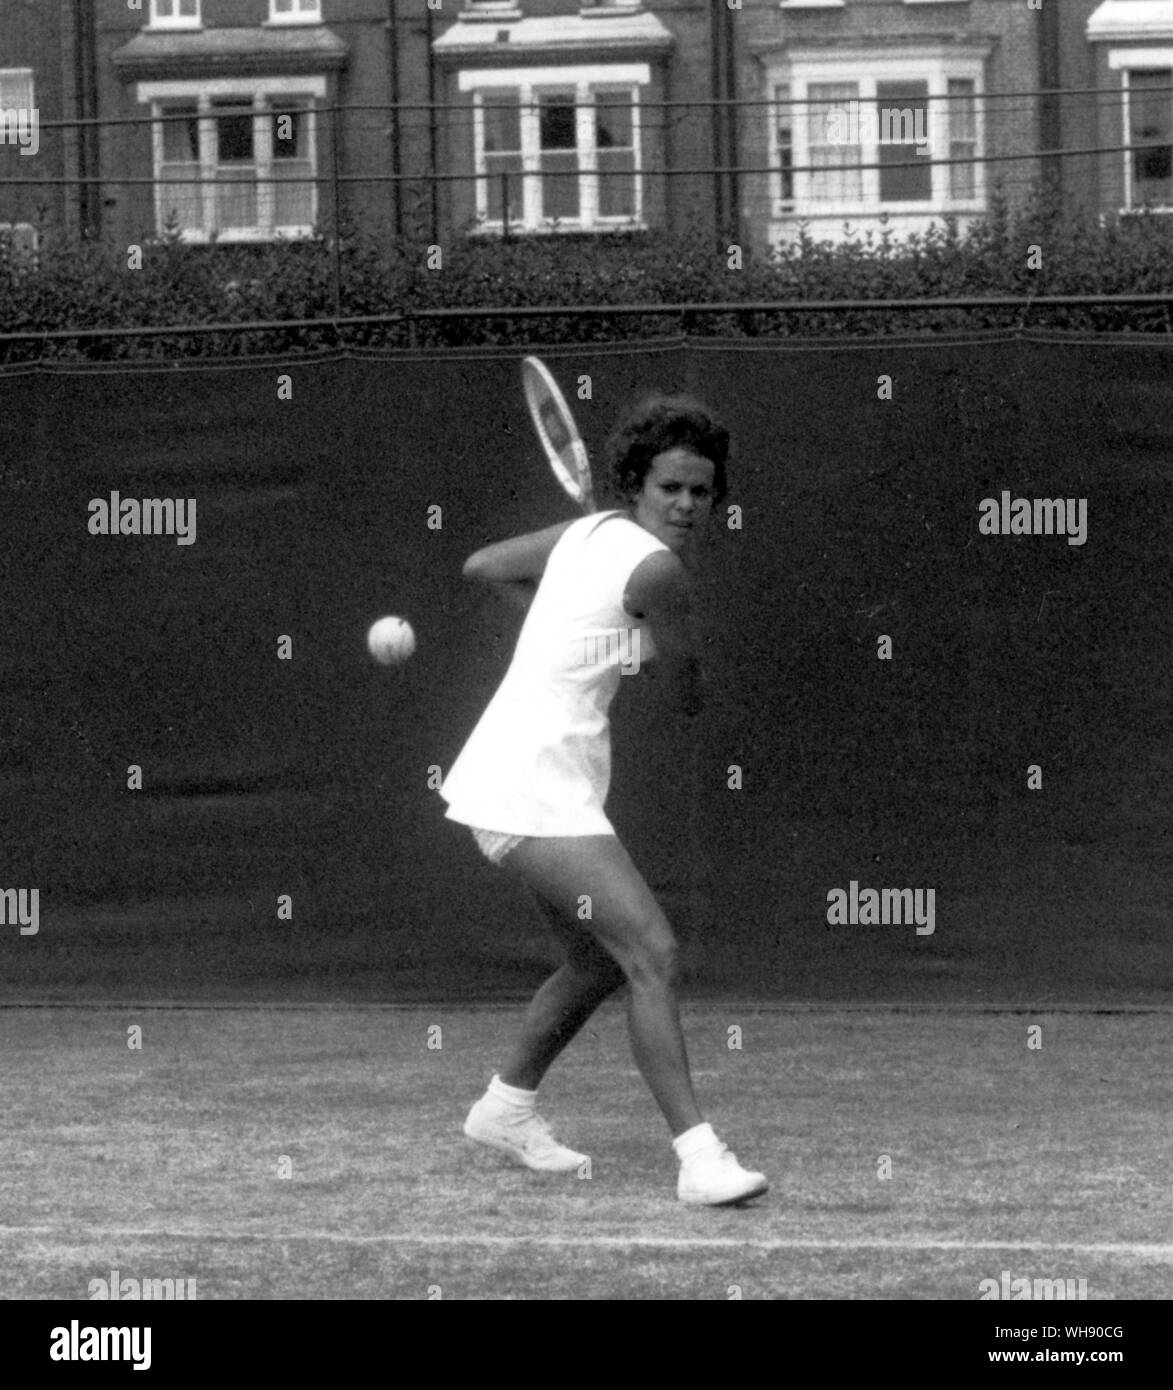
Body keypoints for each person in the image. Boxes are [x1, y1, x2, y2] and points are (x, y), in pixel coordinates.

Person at [440, 393, 767, 1206]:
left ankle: (503, 1110)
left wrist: (571, 636)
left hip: (527, 779)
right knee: (649, 952)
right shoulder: (657, 571)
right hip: (529, 787)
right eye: (670, 489)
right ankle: (700, 1160)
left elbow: (483, 566)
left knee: (595, 960)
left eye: (702, 491)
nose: (688, 504)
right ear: (636, 485)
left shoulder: (585, 534)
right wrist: (638, 646)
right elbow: (683, 693)